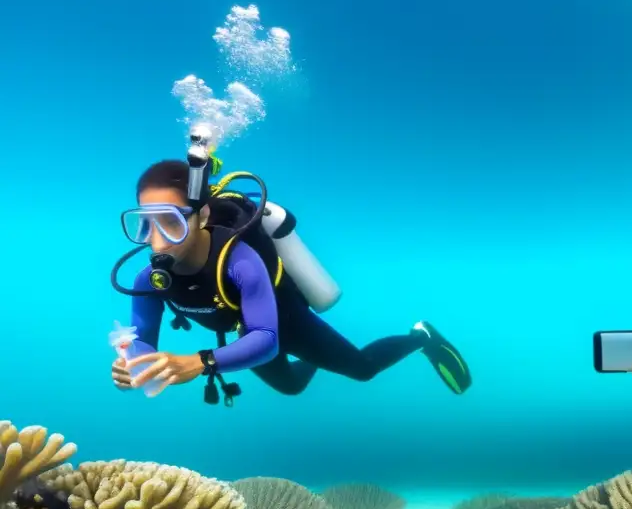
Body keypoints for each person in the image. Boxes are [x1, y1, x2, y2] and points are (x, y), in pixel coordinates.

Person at [110, 158, 472, 401]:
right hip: (241, 332)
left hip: (283, 318)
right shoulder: (148, 279)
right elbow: (142, 342)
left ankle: (420, 336)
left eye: (170, 221)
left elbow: (266, 340)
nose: (156, 240)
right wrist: (135, 367)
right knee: (290, 387)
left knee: (362, 370)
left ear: (202, 215)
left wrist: (200, 362)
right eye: (146, 223)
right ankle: (316, 357)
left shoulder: (241, 261)